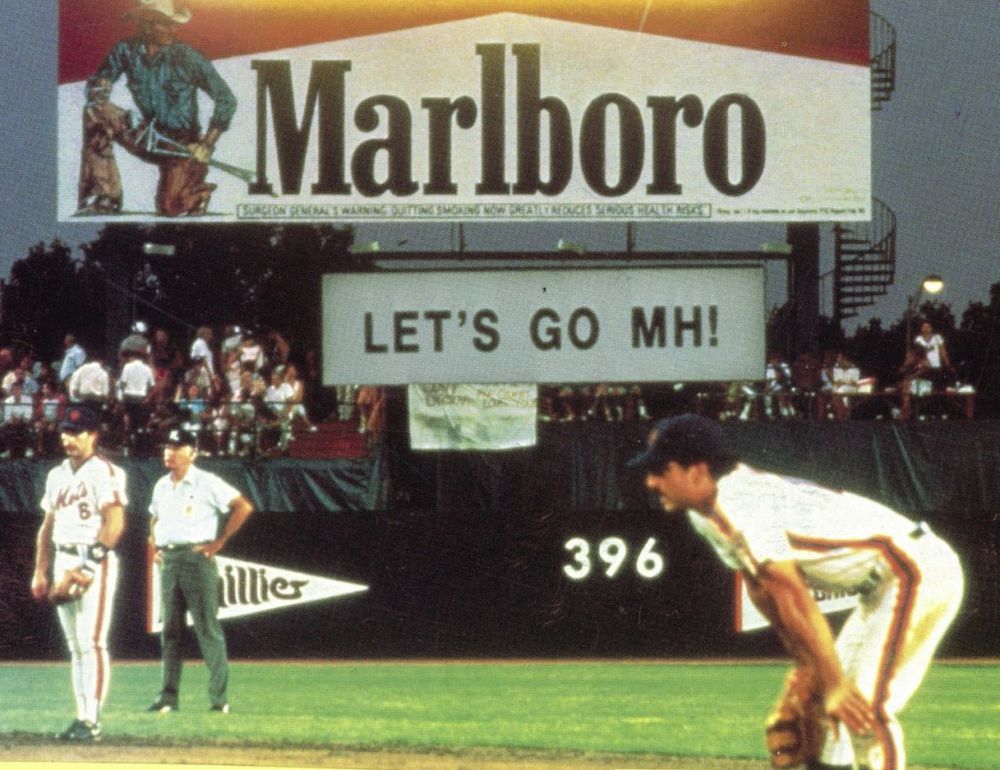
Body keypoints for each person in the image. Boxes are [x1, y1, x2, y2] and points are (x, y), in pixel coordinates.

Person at [628, 414, 963, 770]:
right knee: (831, 712)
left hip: (916, 569)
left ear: (697, 470)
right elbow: (760, 586)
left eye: (661, 470)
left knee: (862, 705)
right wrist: (808, 667)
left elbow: (792, 593)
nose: (651, 482)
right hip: (883, 583)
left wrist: (831, 681)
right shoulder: (706, 513)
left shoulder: (744, 503)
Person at [83, 0, 237, 216]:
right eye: (164, 24)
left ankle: (197, 193)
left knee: (170, 208)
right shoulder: (125, 50)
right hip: (145, 134)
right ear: (146, 23)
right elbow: (100, 82)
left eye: (174, 24)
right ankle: (106, 197)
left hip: (182, 145)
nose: (173, 30)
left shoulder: (188, 57)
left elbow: (227, 99)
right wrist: (101, 87)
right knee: (95, 111)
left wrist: (206, 144)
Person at [30, 406, 128, 742]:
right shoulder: (56, 475)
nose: (69, 439)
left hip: (92, 560)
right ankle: (81, 716)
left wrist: (88, 567)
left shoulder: (105, 472)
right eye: (66, 432)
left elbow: (115, 523)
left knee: (93, 642)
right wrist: (40, 571)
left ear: (94, 435)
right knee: (75, 646)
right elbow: (47, 527)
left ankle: (93, 720)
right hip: (62, 558)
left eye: (77, 432)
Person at [147, 428, 253, 713]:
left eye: (176, 447)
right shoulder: (161, 485)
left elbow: (242, 507)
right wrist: (154, 544)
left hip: (196, 558)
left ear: (191, 453)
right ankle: (168, 698)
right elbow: (154, 518)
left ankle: (219, 701)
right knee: (169, 630)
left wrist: (219, 542)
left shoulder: (207, 482)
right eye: (167, 446)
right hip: (169, 560)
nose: (168, 452)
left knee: (207, 628)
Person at [912, 322, 952, 391]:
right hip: (923, 367)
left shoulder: (937, 338)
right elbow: (918, 351)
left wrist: (947, 363)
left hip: (936, 366)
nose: (926, 329)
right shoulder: (918, 339)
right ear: (921, 329)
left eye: (927, 327)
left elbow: (943, 351)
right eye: (924, 327)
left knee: (937, 386)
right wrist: (928, 349)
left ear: (931, 328)